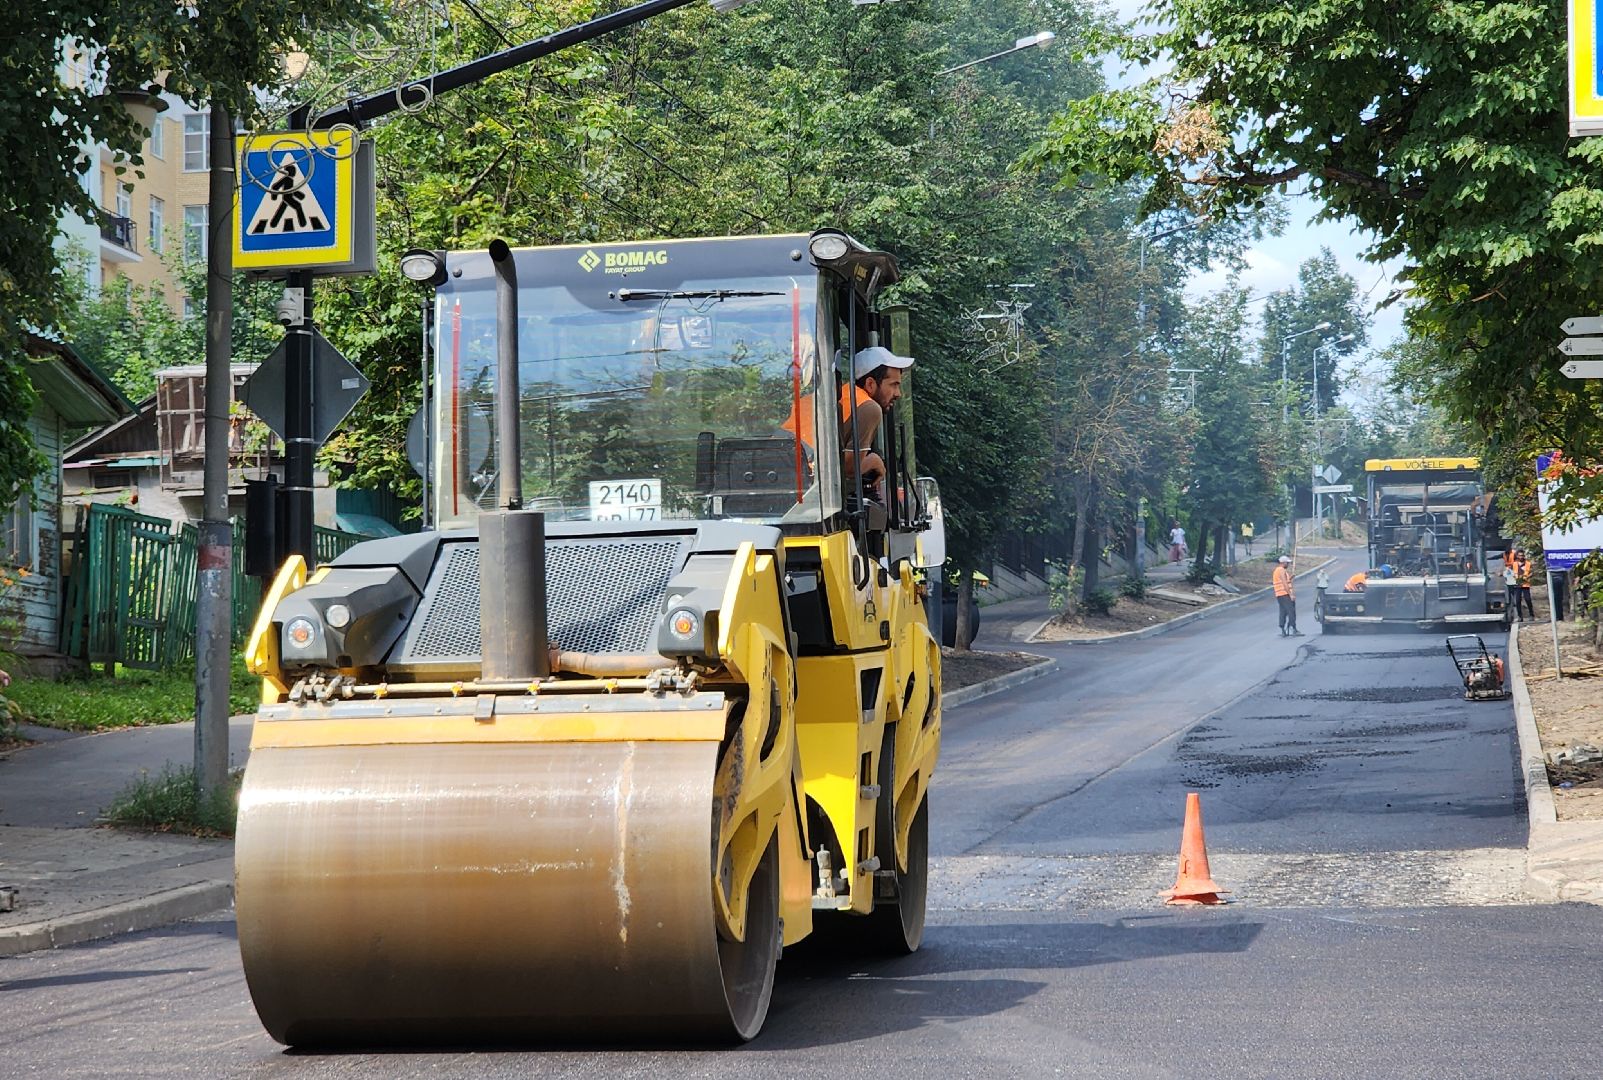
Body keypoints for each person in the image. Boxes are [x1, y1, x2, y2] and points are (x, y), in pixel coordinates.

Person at [1273, 554, 1301, 636]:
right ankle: (1293, 628)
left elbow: (1284, 581)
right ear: (1283, 563)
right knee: (1291, 611)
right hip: (1285, 594)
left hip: (1279, 594)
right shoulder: (1281, 570)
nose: (1288, 564)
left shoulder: (1277, 571)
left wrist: (1290, 578)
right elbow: (1284, 583)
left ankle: (1282, 629)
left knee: (1283, 611)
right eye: (1287, 563)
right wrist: (1291, 594)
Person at [1512, 549, 1536, 620]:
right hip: (1517, 584)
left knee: (1528, 599)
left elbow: (1532, 572)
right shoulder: (1514, 564)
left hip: (1525, 584)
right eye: (1519, 555)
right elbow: (1511, 572)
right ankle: (1520, 616)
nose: (1521, 557)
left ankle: (1531, 615)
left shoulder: (1528, 563)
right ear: (1517, 556)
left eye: (1522, 555)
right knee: (1518, 601)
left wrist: (1528, 576)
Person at [1502, 556, 1520, 621]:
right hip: (1509, 586)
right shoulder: (1507, 572)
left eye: (1509, 566)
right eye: (1507, 566)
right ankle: (1512, 605)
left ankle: (1514, 609)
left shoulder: (1512, 571)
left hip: (1513, 585)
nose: (1508, 567)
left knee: (1514, 598)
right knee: (1510, 599)